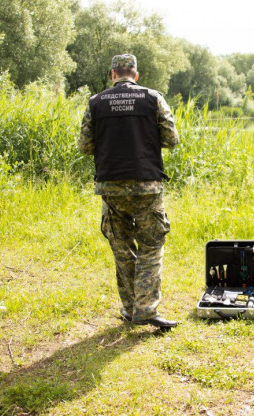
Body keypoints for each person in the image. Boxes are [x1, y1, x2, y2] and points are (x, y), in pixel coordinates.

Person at [77, 54, 179, 329]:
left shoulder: (95, 102)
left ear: (112, 74)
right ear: (136, 74)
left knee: (122, 249)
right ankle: (145, 309)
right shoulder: (153, 98)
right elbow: (172, 139)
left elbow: (84, 146)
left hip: (110, 186)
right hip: (146, 185)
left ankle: (130, 308)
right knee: (151, 246)